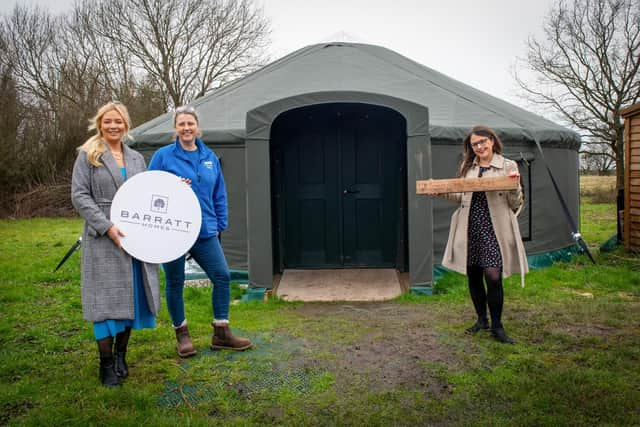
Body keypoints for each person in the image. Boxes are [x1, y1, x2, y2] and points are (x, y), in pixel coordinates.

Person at [148, 105, 251, 357]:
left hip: (205, 229)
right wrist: (172, 186)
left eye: (190, 124)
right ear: (175, 128)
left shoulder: (209, 157)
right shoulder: (163, 156)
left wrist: (220, 225)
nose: (186, 128)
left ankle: (221, 332)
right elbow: (149, 189)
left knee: (222, 276)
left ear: (197, 127)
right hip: (172, 229)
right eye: (181, 124)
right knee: (175, 281)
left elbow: (219, 194)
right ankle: (182, 335)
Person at [71, 102, 161, 386]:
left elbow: (146, 194)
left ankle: (121, 355)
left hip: (132, 238)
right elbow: (80, 195)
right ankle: (106, 364)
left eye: (118, 121)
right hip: (103, 238)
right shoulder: (88, 155)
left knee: (131, 299)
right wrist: (106, 226)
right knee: (105, 303)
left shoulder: (136, 158)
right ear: (100, 123)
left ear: (126, 125)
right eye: (108, 121)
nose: (113, 126)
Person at [431, 125, 528, 344]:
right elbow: (461, 197)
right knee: (474, 275)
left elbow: (515, 203)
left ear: (492, 141)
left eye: (483, 141)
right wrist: (442, 192)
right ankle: (481, 320)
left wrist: (515, 186)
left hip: (495, 228)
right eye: (475, 144)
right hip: (470, 226)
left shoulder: (507, 165)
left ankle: (498, 326)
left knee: (493, 276)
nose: (479, 147)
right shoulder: (468, 166)